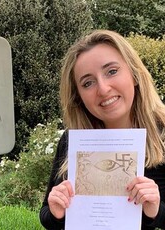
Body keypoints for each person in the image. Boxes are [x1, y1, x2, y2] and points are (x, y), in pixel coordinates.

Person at [39, 29, 165, 229]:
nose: (103, 89)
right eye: (88, 83)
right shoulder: (73, 140)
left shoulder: (163, 135)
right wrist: (56, 211)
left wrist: (156, 210)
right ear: (78, 96)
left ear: (134, 74)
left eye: (112, 71)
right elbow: (47, 215)